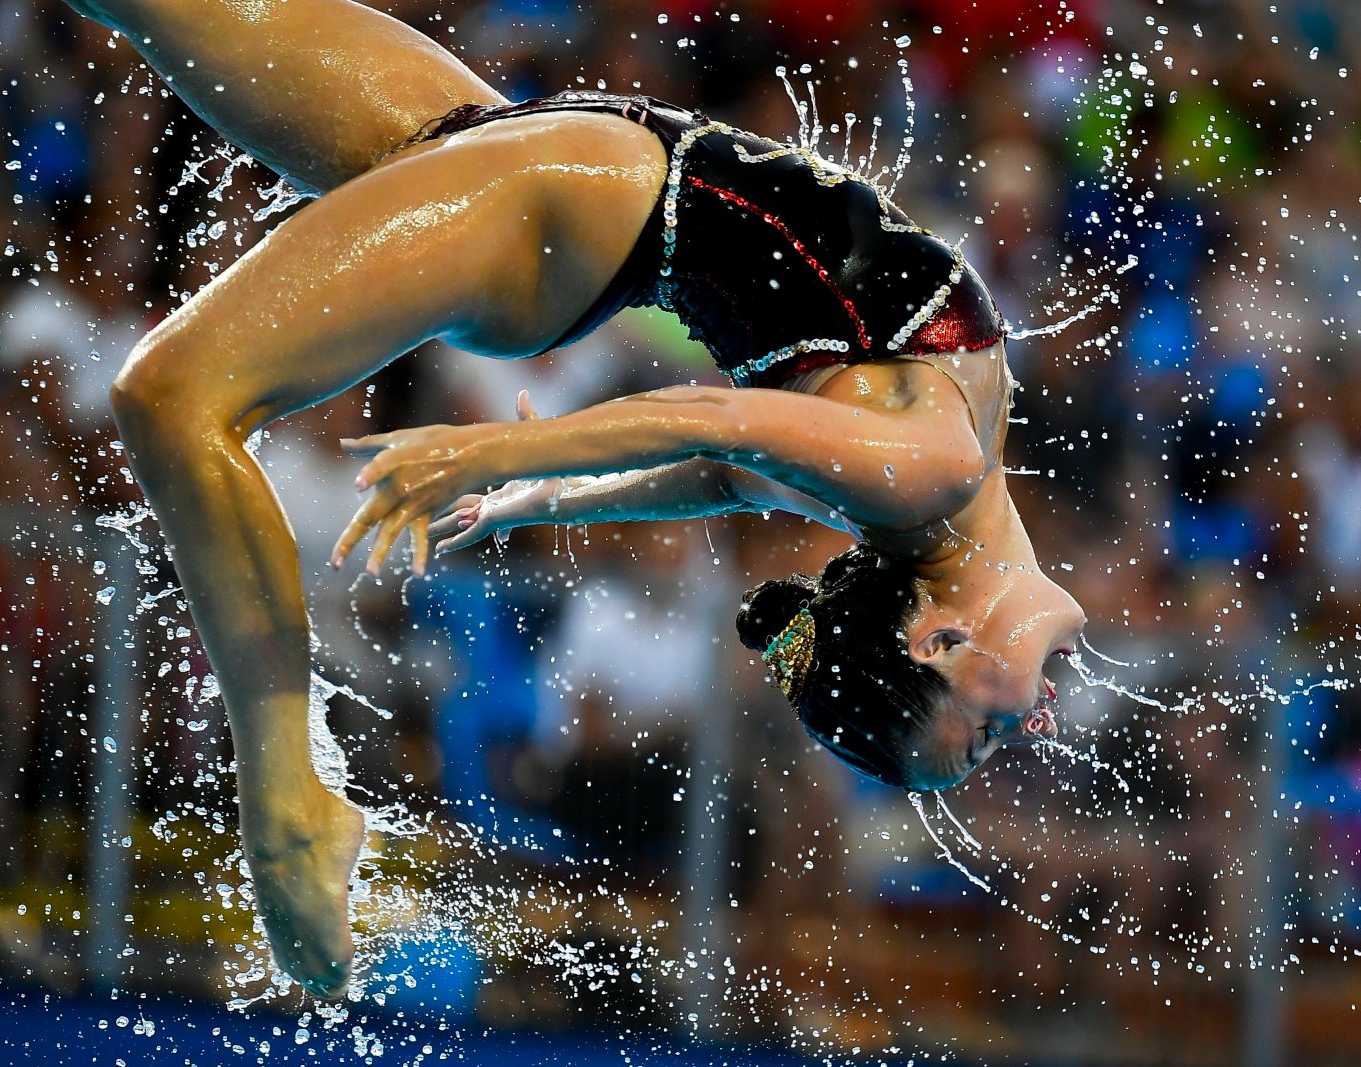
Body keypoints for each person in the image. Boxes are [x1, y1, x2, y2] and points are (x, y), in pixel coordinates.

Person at [63, 0, 1086, 999]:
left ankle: (287, 796)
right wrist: (521, 477)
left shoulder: (923, 479)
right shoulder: (927, 484)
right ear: (938, 644)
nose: (1031, 726)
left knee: (173, 394)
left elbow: (722, 442)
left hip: (547, 204)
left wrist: (517, 472)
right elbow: (724, 452)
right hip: (547, 170)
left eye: (990, 733)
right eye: (984, 739)